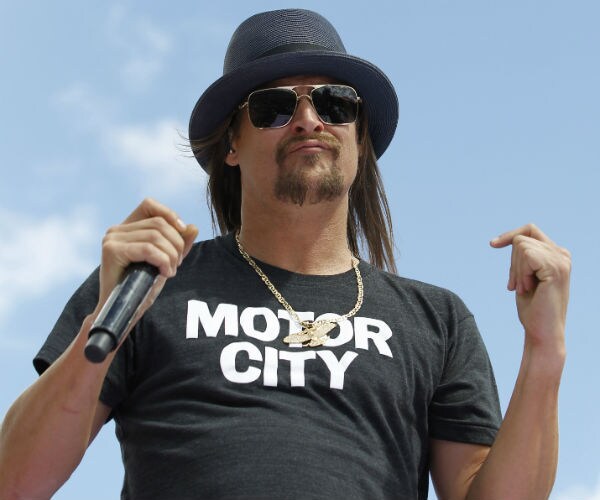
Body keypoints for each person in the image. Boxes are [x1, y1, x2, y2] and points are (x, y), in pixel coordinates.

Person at [0, 8, 570, 500]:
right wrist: (102, 325)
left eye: (335, 102)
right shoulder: (149, 282)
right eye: (273, 106)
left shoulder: (437, 321)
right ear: (231, 143)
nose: (308, 120)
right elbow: (16, 482)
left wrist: (544, 352)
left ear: (359, 136)